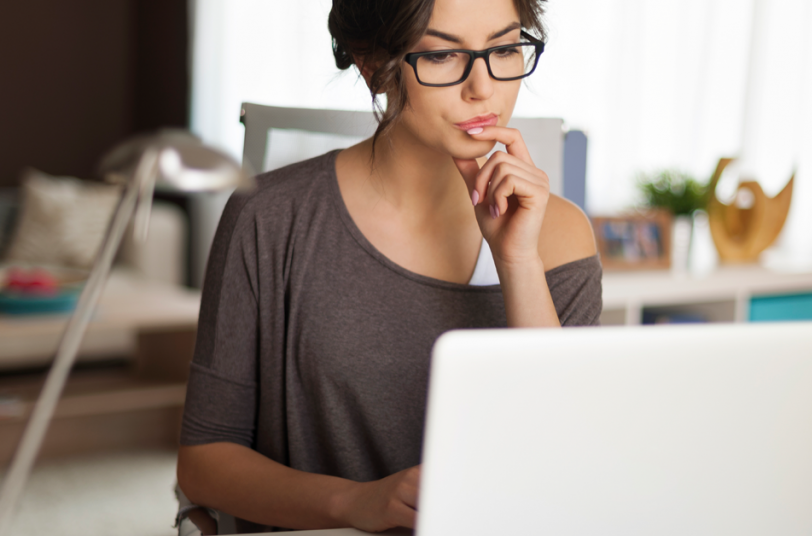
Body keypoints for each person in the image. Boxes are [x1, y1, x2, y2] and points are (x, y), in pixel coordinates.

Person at [175, 0, 602, 533]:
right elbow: (204, 462)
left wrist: (518, 260)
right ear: (372, 64)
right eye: (443, 54)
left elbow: (567, 464)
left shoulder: (558, 233)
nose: (483, 88)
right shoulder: (268, 218)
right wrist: (355, 503)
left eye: (505, 48)